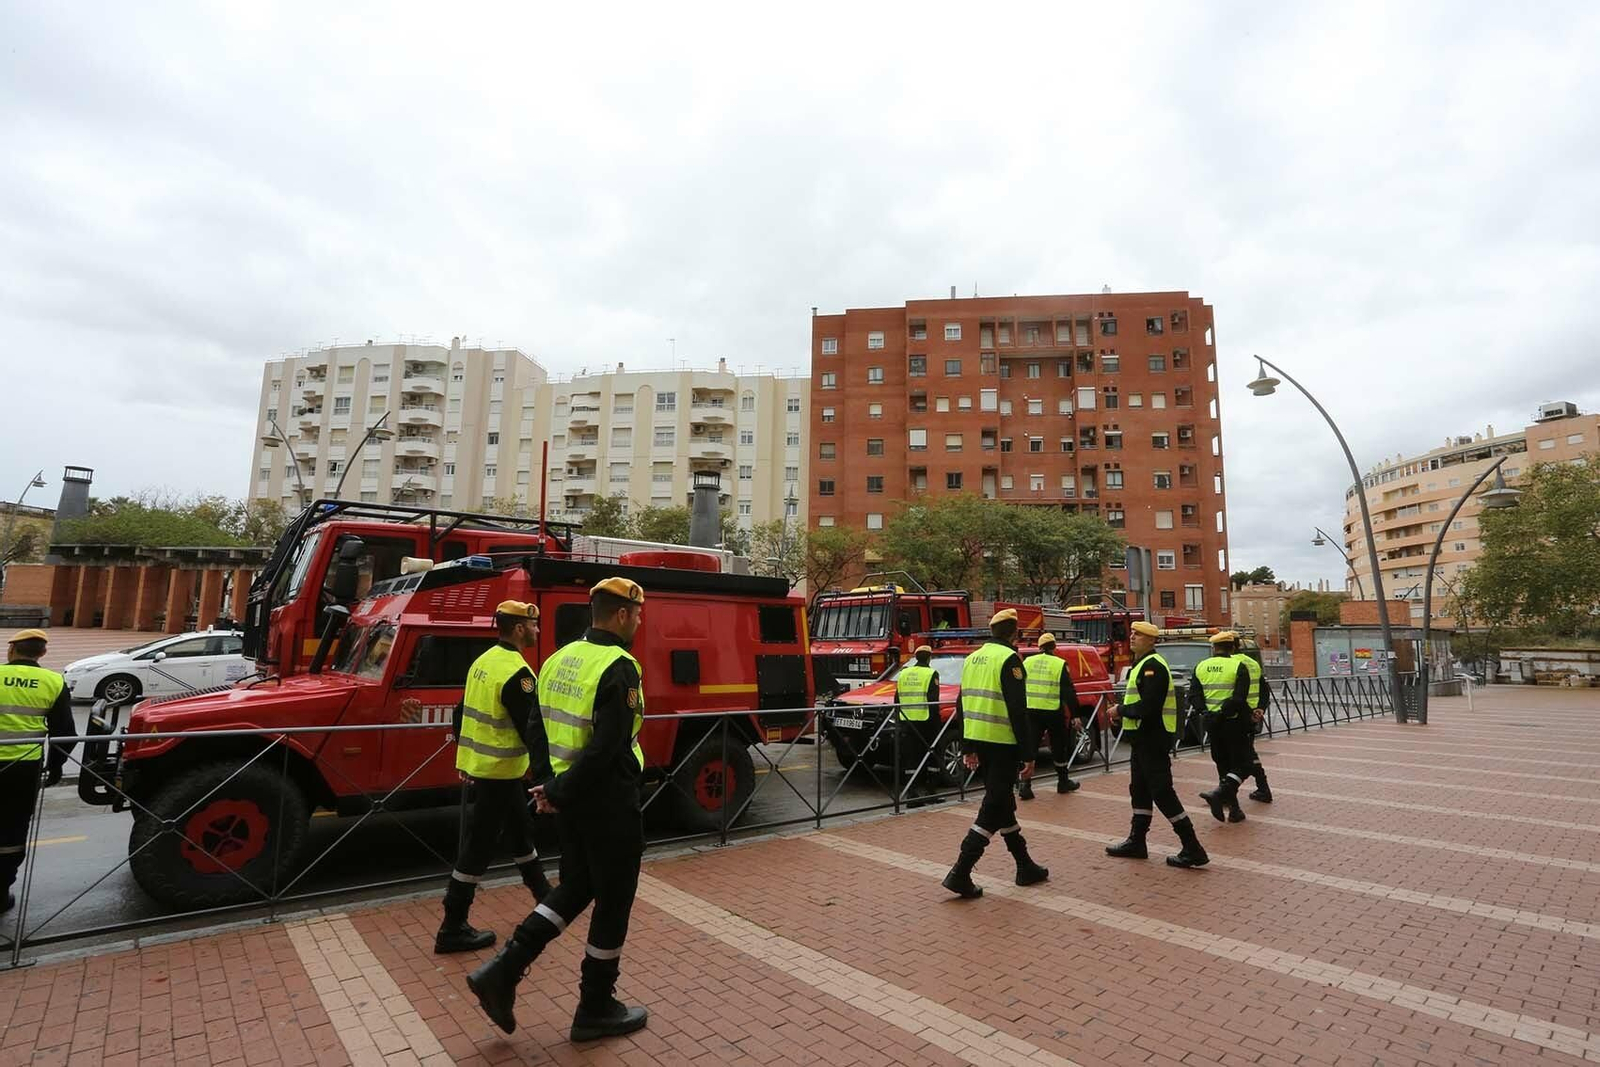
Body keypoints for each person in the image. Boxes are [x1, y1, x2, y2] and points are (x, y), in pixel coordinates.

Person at [468, 577, 650, 1043]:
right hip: (609, 803)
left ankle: (504, 969)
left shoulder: (556, 659)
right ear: (624, 614)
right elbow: (608, 747)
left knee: (577, 887)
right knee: (614, 901)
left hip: (571, 802)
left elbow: (536, 726)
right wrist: (562, 789)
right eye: (638, 614)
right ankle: (595, 1006)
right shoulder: (620, 666)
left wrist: (551, 785)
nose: (639, 622)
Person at [407, 601, 552, 954]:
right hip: (500, 772)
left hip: (487, 768)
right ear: (518, 629)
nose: (538, 631)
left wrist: (467, 756)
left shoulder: (482, 663)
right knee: (477, 849)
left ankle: (546, 900)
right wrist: (549, 776)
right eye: (533, 626)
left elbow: (461, 715)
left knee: (520, 833)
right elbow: (531, 731)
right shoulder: (518, 674)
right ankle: (452, 926)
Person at [941, 609, 1049, 898]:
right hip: (1002, 743)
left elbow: (962, 703)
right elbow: (1018, 710)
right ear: (1014, 633)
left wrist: (968, 746)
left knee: (1003, 805)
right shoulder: (1009, 659)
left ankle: (1025, 866)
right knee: (992, 808)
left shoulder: (973, 658)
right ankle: (960, 872)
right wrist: (1029, 753)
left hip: (979, 739)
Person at [1105, 621, 1208, 868]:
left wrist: (1120, 710)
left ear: (1151, 640)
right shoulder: (1141, 665)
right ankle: (1137, 841)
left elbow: (1149, 706)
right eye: (1131, 633)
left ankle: (1192, 847)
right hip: (1142, 740)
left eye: (1138, 634)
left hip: (1153, 737)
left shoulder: (1153, 666)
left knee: (1162, 792)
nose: (1132, 637)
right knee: (1139, 790)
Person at [0, 630, 76, 912]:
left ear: (11, 650)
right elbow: (64, 733)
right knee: (12, 828)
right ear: (42, 653)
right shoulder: (53, 681)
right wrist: (55, 767)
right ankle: (1, 889)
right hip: (23, 769)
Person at [1189, 632, 1253, 823]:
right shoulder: (1238, 666)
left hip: (1211, 725)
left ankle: (1234, 809)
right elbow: (1240, 698)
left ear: (1214, 648)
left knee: (1223, 766)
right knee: (1245, 764)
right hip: (1233, 722)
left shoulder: (1201, 666)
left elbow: (1194, 695)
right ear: (1232, 647)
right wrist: (1223, 713)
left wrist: (1207, 713)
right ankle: (1219, 794)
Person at [1018, 633, 1080, 799]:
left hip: (1031, 711)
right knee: (1059, 747)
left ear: (1039, 647)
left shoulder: (1027, 662)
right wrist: (1075, 715)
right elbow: (1068, 691)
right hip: (1053, 712)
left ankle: (1025, 785)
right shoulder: (1058, 664)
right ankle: (1062, 782)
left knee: (1030, 748)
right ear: (1054, 647)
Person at [895, 645, 943, 804]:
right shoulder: (931, 673)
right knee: (932, 755)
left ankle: (912, 794)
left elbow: (897, 699)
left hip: (907, 721)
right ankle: (931, 792)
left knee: (911, 757)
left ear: (916, 657)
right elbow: (933, 700)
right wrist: (937, 722)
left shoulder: (903, 673)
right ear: (929, 657)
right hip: (926, 721)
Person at [1235, 646, 1273, 802]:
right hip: (1251, 716)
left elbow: (1237, 695)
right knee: (1249, 753)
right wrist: (1260, 709)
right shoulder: (1252, 663)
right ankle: (1263, 788)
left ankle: (1226, 790)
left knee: (1239, 756)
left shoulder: (1232, 664)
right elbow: (1264, 689)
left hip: (1235, 717)